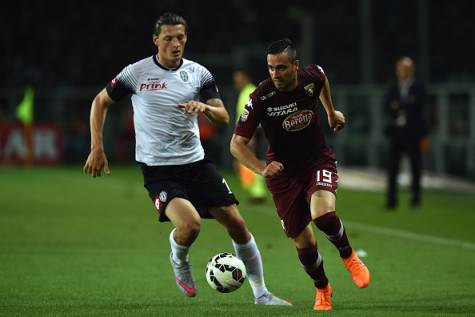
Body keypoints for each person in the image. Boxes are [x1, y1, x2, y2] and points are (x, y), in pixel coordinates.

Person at [83, 13, 290, 306]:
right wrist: (97, 147)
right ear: (156, 40)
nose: (175, 43)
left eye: (180, 37)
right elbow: (100, 101)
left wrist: (203, 106)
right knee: (190, 225)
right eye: (168, 38)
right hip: (159, 171)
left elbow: (223, 117)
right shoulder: (136, 73)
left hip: (196, 163)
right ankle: (178, 258)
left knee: (237, 223)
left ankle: (262, 294)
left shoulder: (199, 73)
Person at [230, 38, 370, 311]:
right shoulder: (261, 96)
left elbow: (322, 79)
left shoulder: (311, 77)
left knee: (323, 215)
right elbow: (236, 144)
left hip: (318, 160)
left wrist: (330, 111)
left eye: (281, 68)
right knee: (302, 241)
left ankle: (349, 255)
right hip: (282, 173)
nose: (275, 74)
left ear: (295, 65)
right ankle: (322, 289)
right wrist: (261, 169)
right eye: (270, 68)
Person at [384, 57, 428, 209]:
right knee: (392, 167)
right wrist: (406, 104)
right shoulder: (393, 86)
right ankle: (391, 201)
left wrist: (400, 105)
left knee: (415, 166)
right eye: (399, 68)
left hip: (413, 132)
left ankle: (416, 199)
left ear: (410, 70)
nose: (400, 71)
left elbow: (417, 106)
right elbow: (388, 105)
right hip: (397, 131)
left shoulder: (419, 87)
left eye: (403, 68)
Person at [232, 70, 267, 203]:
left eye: (239, 79)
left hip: (250, 132)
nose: (237, 82)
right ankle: (255, 191)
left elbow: (251, 116)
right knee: (247, 161)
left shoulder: (249, 92)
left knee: (250, 160)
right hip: (247, 132)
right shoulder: (246, 91)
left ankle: (258, 192)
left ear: (246, 77)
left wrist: (249, 136)